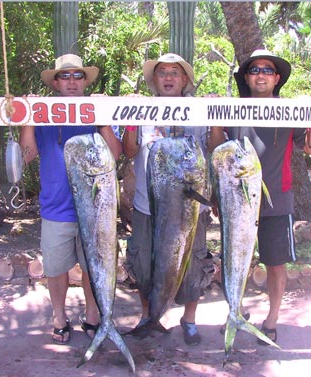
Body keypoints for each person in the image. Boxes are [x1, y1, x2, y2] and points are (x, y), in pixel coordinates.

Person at [209, 49, 311, 344]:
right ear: (246, 77)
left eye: (267, 70)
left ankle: (271, 321)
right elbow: (216, 149)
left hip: (277, 201)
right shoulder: (233, 109)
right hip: (237, 199)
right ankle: (236, 312)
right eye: (255, 69)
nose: (261, 74)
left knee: (275, 263)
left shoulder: (290, 111)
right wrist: (216, 120)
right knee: (236, 261)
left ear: (277, 78)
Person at [19, 54, 122, 345]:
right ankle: (59, 317)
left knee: (93, 267)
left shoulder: (97, 110)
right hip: (56, 209)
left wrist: (102, 121)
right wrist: (29, 116)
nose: (72, 81)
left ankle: (92, 314)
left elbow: (114, 154)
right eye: (66, 76)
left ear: (85, 81)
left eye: (78, 76)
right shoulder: (43, 114)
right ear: (55, 82)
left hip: (95, 209)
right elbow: (27, 156)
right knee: (55, 268)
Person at [123, 53, 214, 346]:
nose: (169, 77)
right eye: (162, 72)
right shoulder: (142, 110)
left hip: (190, 208)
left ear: (185, 79)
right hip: (147, 206)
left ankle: (189, 321)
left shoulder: (200, 110)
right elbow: (129, 151)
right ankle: (149, 316)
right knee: (143, 263)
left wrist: (215, 118)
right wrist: (128, 118)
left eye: (175, 72)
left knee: (192, 264)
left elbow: (214, 147)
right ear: (155, 79)